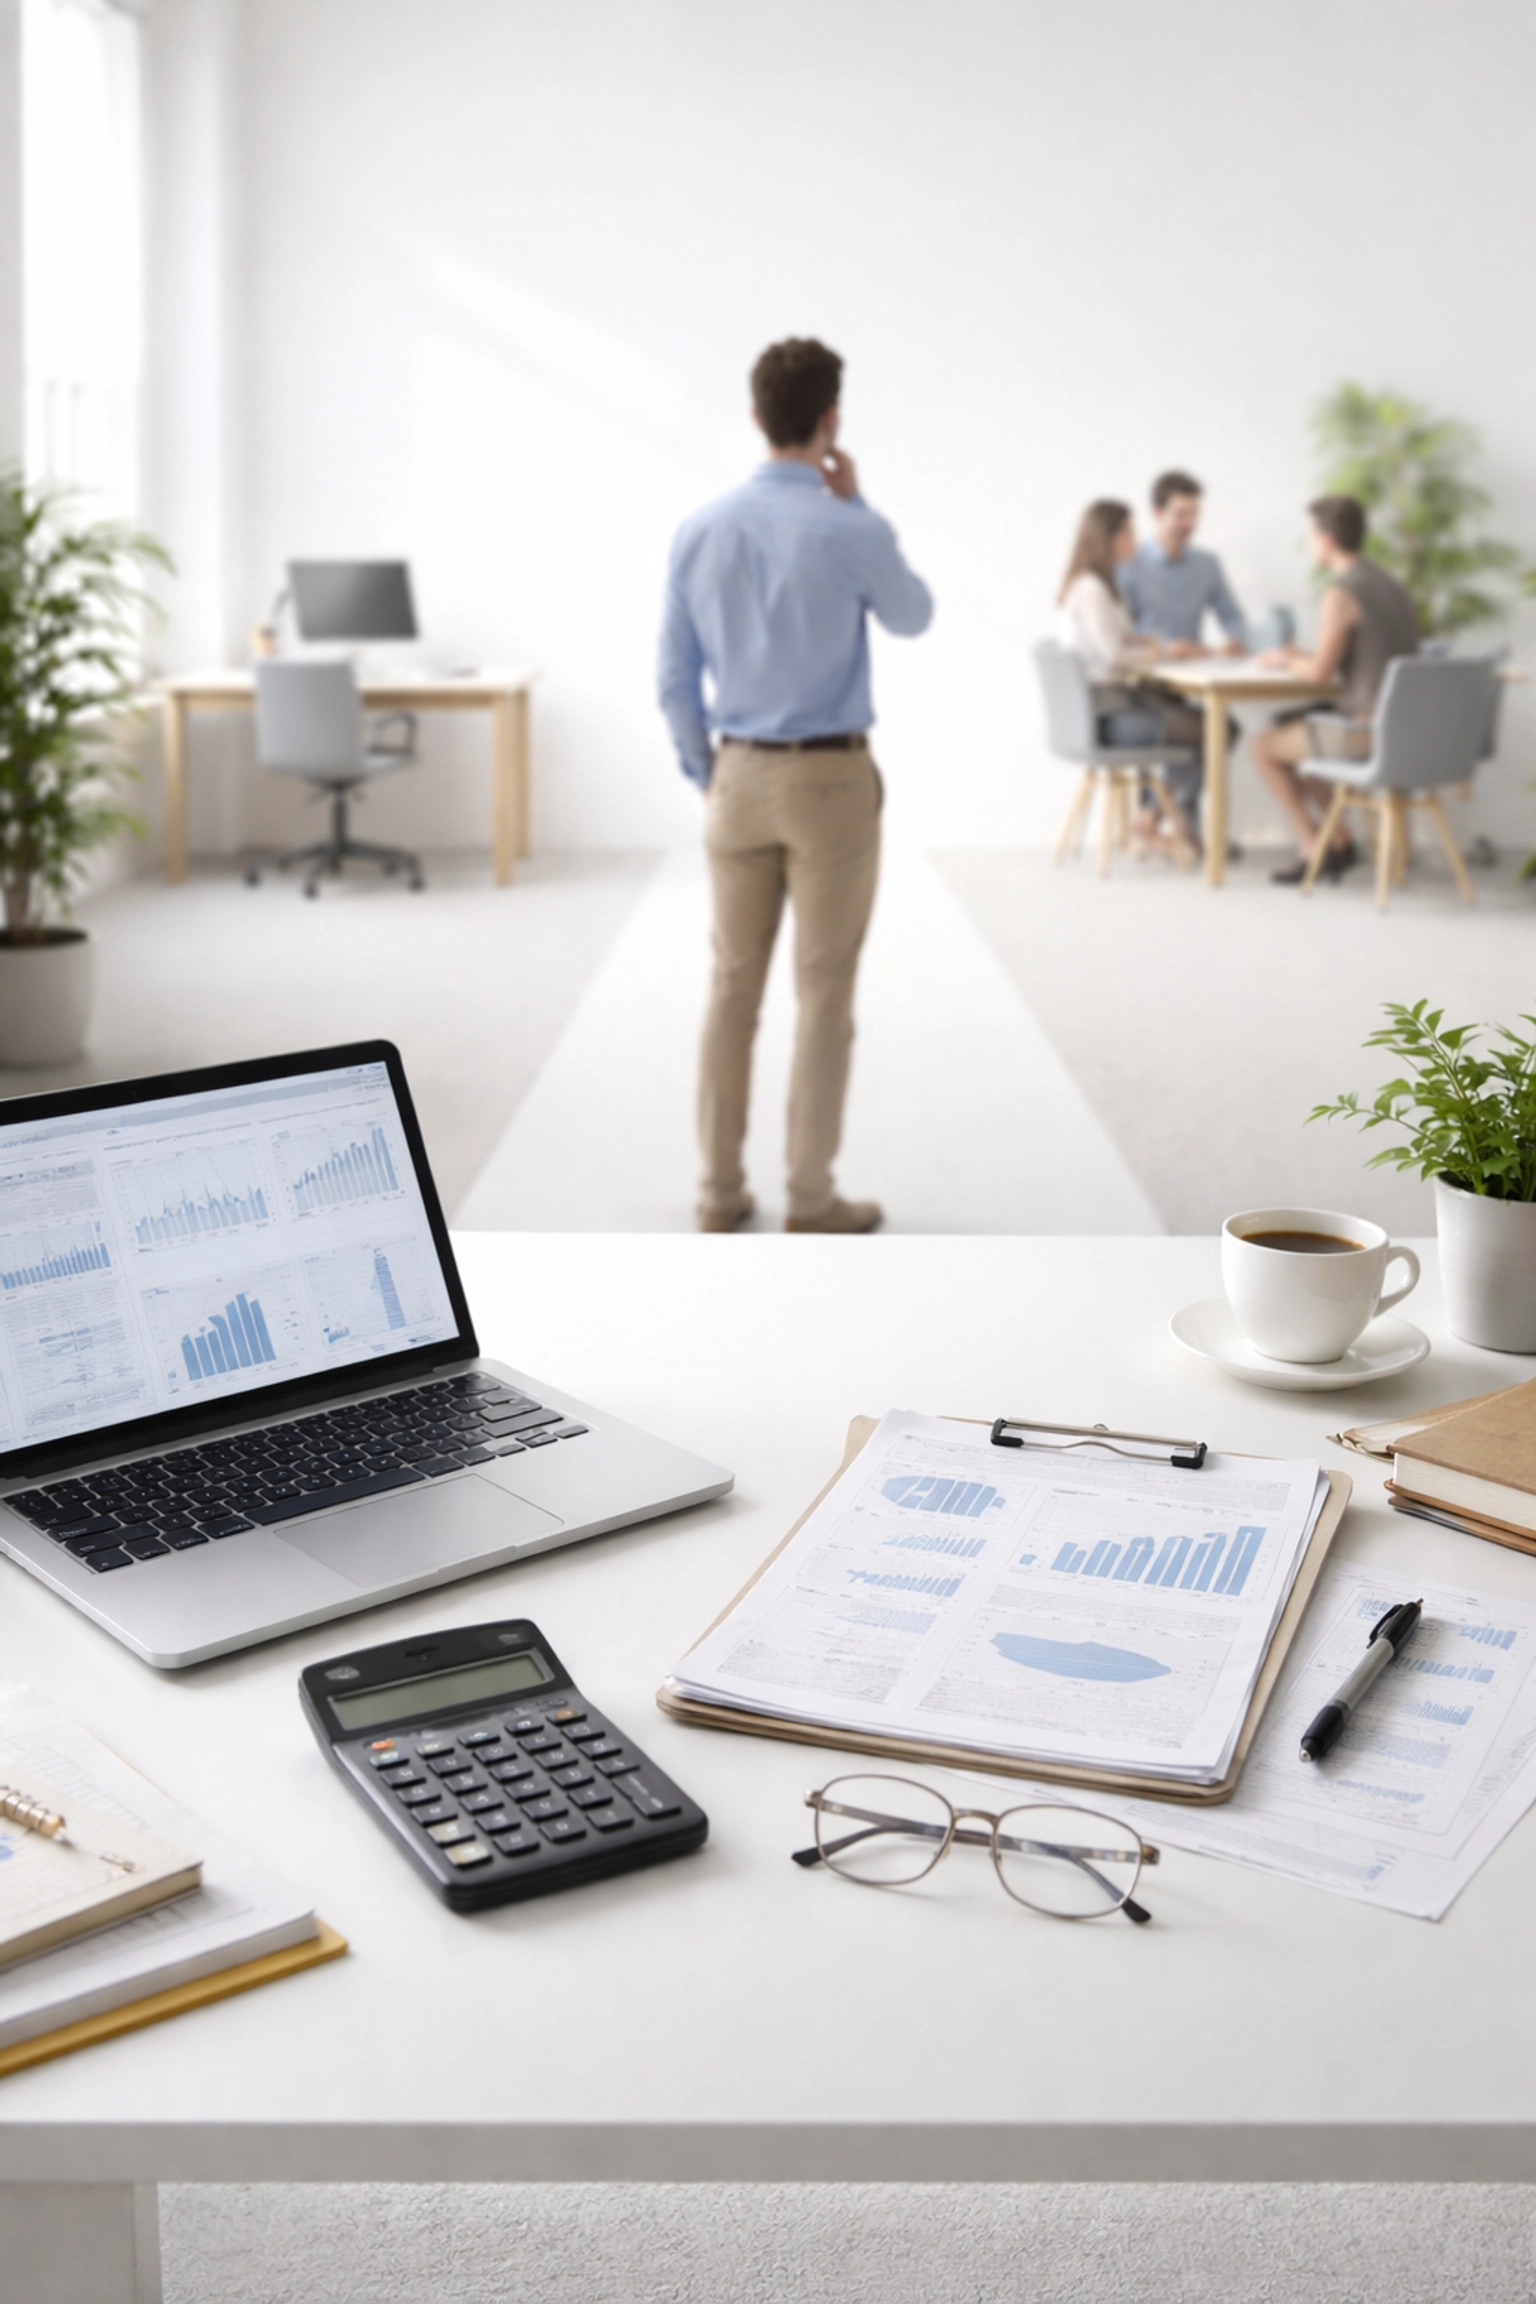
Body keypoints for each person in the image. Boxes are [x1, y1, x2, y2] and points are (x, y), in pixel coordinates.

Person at [658, 337, 933, 1236]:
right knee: (824, 993)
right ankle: (810, 1200)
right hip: (831, 783)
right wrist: (858, 502)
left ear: (755, 417)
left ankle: (718, 1192)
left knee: (731, 987)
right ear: (830, 421)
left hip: (737, 774)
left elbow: (673, 679)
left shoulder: (700, 529)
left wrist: (711, 773)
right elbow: (913, 615)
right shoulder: (849, 526)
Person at [1252, 494, 1420, 884]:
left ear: (1327, 540)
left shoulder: (1342, 593)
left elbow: (1319, 674)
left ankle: (1312, 846)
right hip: (1404, 730)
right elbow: (1360, 652)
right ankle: (1339, 838)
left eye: (1311, 536)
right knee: (1295, 728)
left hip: (1364, 731)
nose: (1310, 544)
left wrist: (1287, 660)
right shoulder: (1394, 586)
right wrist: (1302, 655)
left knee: (1262, 749)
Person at [1054, 498, 1205, 852]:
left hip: (1104, 709)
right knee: (1215, 729)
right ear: (1108, 538)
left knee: (1205, 725)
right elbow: (1113, 655)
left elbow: (1116, 638)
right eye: (1128, 533)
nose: (1135, 540)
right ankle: (1155, 819)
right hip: (1110, 717)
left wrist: (1155, 643)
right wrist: (1164, 653)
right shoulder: (1092, 590)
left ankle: (1153, 818)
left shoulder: (1097, 586)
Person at [1121, 471, 1247, 655]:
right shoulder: (1128, 564)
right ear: (1157, 512)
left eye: (1194, 513)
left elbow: (1232, 616)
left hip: (1194, 666)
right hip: (1147, 665)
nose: (1189, 523)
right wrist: (1167, 648)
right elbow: (1120, 633)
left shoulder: (1207, 564)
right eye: (1180, 514)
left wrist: (1235, 640)